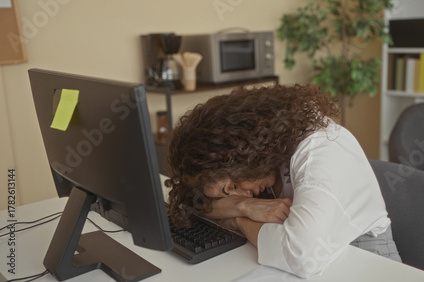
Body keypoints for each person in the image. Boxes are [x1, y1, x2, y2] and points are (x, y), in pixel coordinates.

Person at [165, 84, 401, 278]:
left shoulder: (319, 150)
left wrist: (237, 221)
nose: (243, 193)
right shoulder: (269, 151)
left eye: (235, 187)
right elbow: (189, 204)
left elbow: (300, 255)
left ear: (242, 154)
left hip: (367, 263)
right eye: (227, 193)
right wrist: (243, 206)